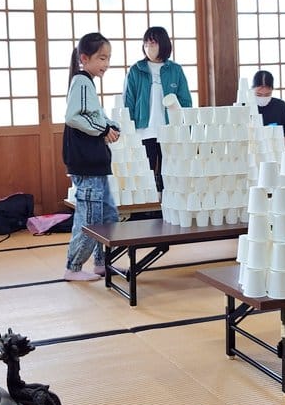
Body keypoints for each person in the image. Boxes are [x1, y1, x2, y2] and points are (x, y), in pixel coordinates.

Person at [63, 32, 120, 281]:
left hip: (95, 163)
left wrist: (110, 125)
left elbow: (93, 115)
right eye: (102, 58)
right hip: (87, 164)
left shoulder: (87, 82)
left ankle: (101, 263)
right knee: (90, 218)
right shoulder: (82, 81)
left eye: (108, 58)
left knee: (108, 216)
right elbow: (73, 117)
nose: (106, 64)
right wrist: (104, 129)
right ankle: (73, 268)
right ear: (84, 58)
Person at [123, 27, 192, 191]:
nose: (149, 47)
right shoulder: (136, 70)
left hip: (169, 130)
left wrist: (185, 128)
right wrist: (128, 129)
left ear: (163, 44)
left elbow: (185, 101)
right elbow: (128, 102)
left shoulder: (175, 70)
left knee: (169, 172)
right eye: (146, 43)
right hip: (143, 130)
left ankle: (166, 201)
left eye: (153, 43)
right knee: (145, 172)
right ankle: (151, 203)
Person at [251, 70, 285, 148]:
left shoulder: (280, 106)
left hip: (276, 150)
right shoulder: (245, 107)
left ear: (272, 90)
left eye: (267, 94)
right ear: (252, 90)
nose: (263, 97)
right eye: (258, 94)